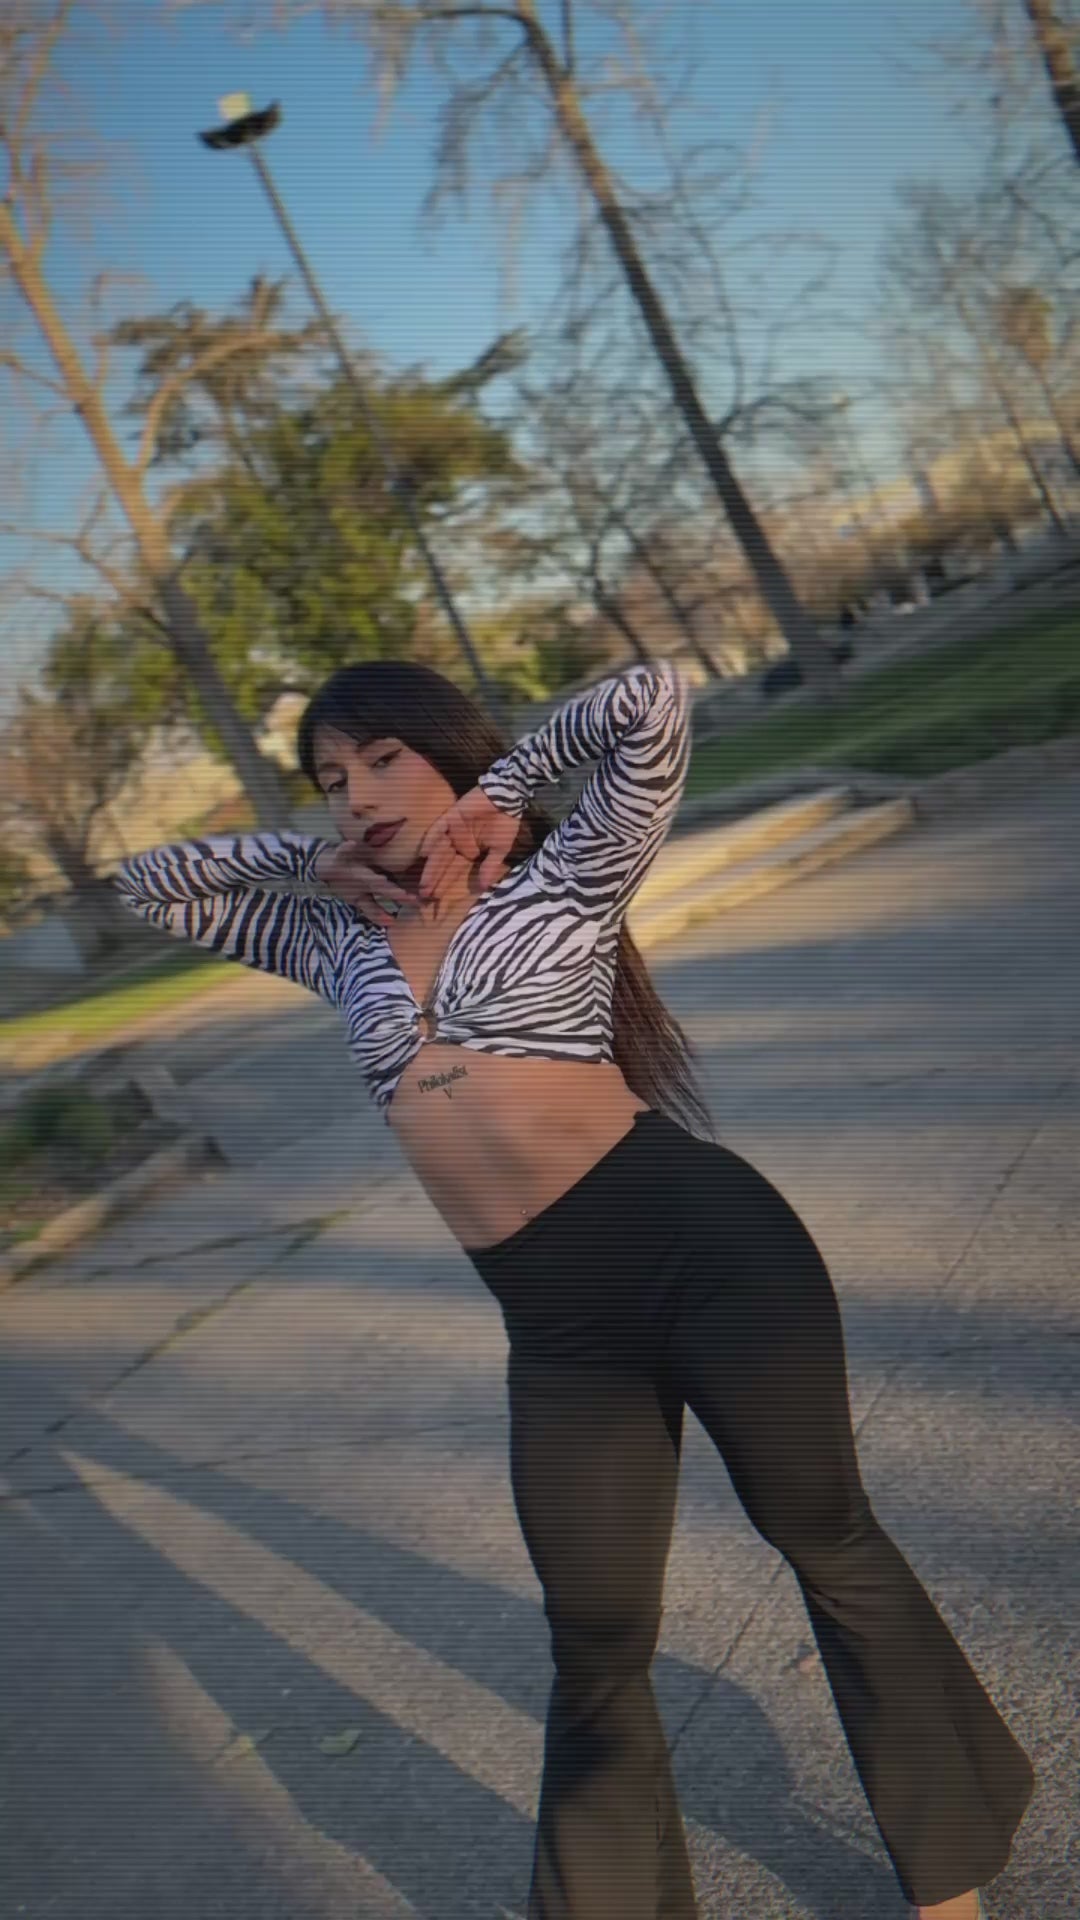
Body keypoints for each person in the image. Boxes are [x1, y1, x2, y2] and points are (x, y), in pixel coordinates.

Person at [114, 658, 1034, 1920]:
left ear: (444, 752)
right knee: (596, 1634)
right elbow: (148, 884)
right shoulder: (332, 940)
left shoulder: (564, 876)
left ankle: (950, 1882)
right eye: (331, 778)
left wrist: (501, 793)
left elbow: (649, 701)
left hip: (709, 1257)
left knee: (824, 1537)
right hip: (559, 1330)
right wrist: (311, 861)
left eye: (383, 759)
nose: (358, 795)